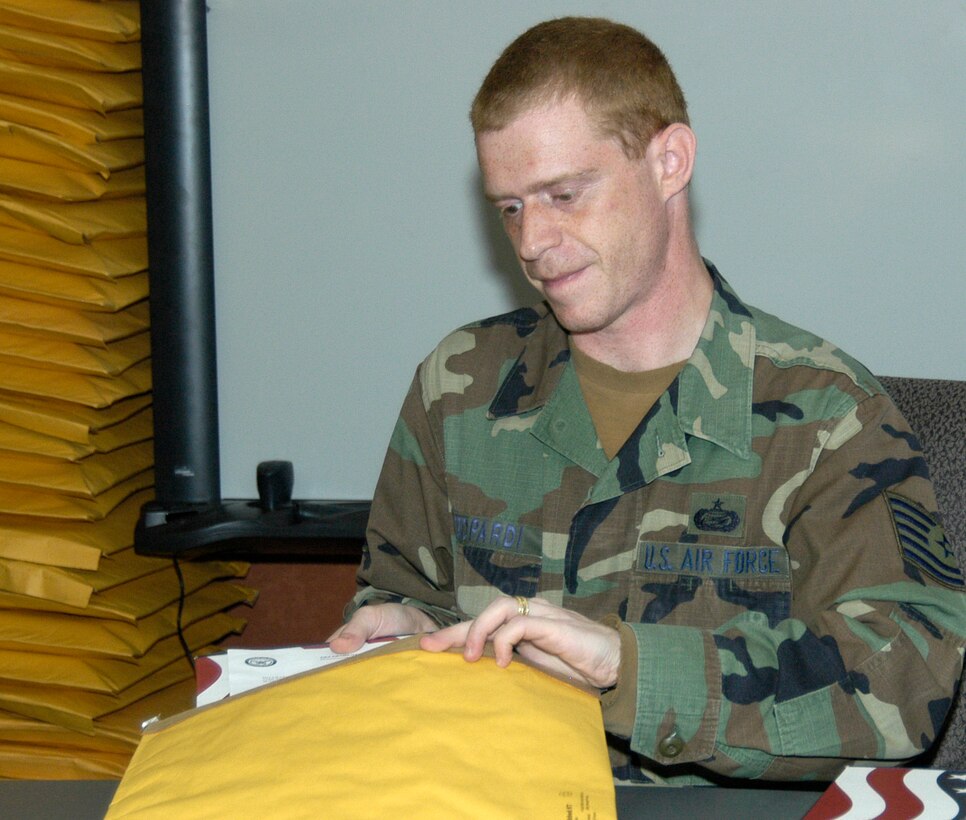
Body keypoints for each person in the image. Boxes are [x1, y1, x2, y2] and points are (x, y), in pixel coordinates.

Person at [327, 16, 966, 784]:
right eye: (510, 207)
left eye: (564, 193)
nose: (532, 241)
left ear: (669, 161)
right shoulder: (460, 386)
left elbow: (906, 680)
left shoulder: (827, 414)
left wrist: (628, 673)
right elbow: (411, 597)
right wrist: (402, 631)